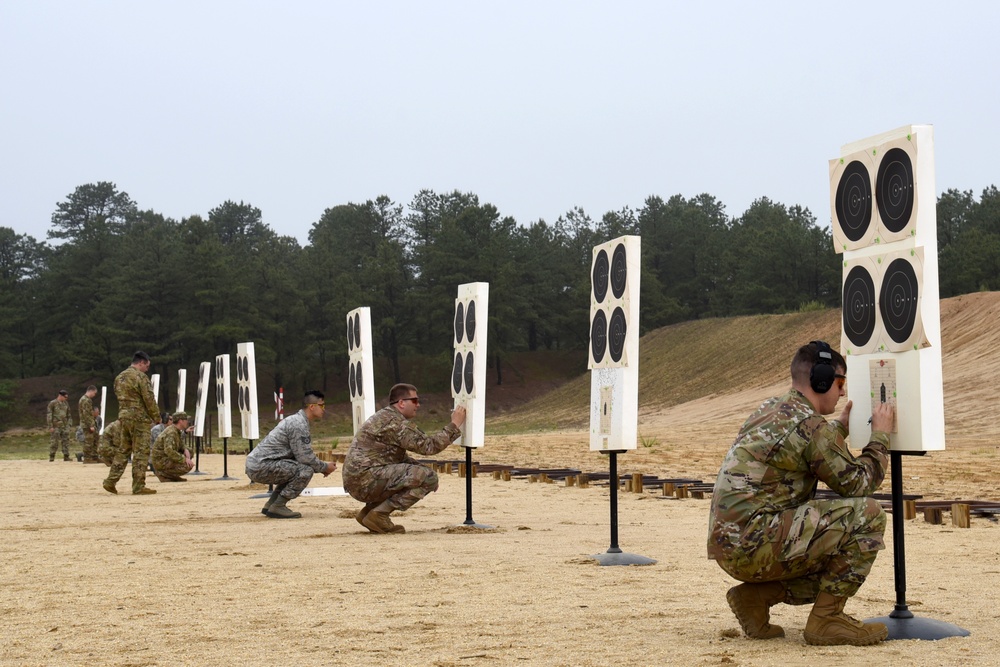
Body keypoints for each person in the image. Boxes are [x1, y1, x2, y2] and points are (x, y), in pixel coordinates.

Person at [707, 341, 896, 646]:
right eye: (840, 382)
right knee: (868, 516)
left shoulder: (770, 408)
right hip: (755, 546)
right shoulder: (811, 427)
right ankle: (827, 619)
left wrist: (837, 430)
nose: (843, 392)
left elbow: (802, 445)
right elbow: (858, 483)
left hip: (730, 548)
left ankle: (755, 598)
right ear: (821, 381)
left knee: (830, 539)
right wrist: (881, 436)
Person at [342, 383, 466, 534]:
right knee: (428, 477)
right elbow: (429, 446)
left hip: (359, 481)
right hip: (366, 481)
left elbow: (398, 458)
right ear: (401, 403)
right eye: (414, 401)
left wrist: (424, 473)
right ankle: (379, 515)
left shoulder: (385, 417)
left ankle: (369, 512)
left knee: (424, 475)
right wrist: (455, 424)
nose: (418, 405)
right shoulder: (396, 423)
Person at [245, 390, 336, 519]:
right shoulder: (298, 424)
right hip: (261, 466)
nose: (324, 409)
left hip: (258, 464)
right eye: (322, 405)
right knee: (305, 471)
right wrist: (324, 467)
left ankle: (271, 504)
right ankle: (279, 506)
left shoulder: (297, 420)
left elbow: (300, 456)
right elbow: (305, 457)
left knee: (295, 468)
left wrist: (321, 467)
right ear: (312, 406)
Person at [103, 351, 161, 495]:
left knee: (123, 450)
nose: (147, 369)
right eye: (146, 366)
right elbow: (149, 399)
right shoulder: (140, 377)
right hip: (139, 419)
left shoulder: (119, 377)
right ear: (141, 363)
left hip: (124, 418)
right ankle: (138, 486)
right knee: (141, 452)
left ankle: (110, 481)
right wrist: (156, 416)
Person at [151, 412, 194, 482]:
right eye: (186, 420)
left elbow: (179, 444)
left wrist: (185, 449)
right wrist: (184, 459)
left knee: (190, 451)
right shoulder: (171, 432)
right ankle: (163, 474)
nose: (187, 422)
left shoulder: (176, 430)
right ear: (180, 421)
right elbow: (169, 450)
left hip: (164, 458)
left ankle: (172, 476)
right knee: (187, 466)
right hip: (160, 460)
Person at [46, 390, 73, 462]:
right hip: (56, 426)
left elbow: (69, 415)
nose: (66, 398)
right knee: (54, 441)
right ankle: (52, 456)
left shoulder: (66, 403)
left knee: (66, 441)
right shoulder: (53, 403)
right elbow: (49, 415)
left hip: (64, 426)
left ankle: (66, 456)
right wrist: (50, 426)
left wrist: (69, 425)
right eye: (65, 397)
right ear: (60, 396)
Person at [78, 386, 100, 463]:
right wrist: (91, 425)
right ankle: (87, 458)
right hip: (87, 424)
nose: (94, 395)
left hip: (90, 423)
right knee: (89, 440)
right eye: (94, 393)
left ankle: (94, 456)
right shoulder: (85, 400)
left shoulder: (87, 400)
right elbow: (86, 414)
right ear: (91, 391)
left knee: (95, 438)